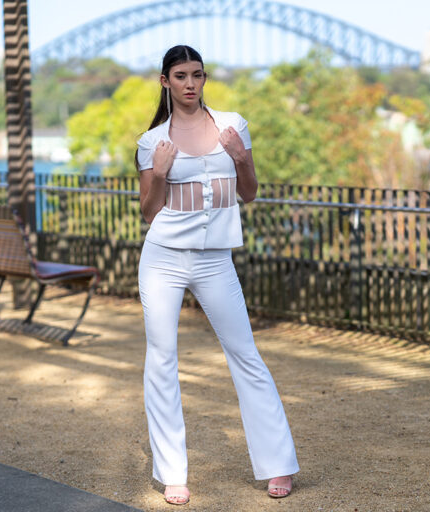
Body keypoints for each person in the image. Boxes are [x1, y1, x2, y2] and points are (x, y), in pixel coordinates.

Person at [134, 45, 299, 506]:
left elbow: (249, 193)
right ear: (165, 81)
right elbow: (150, 211)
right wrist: (161, 173)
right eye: (181, 76)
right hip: (164, 258)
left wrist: (242, 158)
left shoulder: (233, 125)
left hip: (215, 260)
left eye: (198, 75)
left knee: (246, 354)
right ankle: (172, 475)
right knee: (162, 360)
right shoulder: (153, 142)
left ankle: (278, 465)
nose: (191, 84)